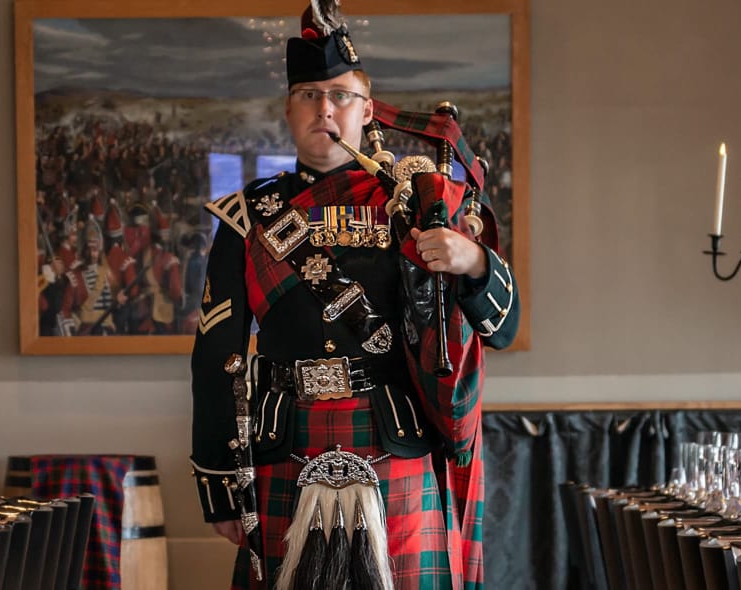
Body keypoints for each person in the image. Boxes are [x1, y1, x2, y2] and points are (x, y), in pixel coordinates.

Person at [188, 1, 520, 587]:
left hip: (397, 436)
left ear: (367, 111)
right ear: (288, 112)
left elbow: (502, 329)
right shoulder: (248, 218)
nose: (325, 107)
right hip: (283, 440)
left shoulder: (418, 203)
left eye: (340, 94)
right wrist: (219, 484)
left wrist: (472, 261)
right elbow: (219, 357)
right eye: (309, 95)